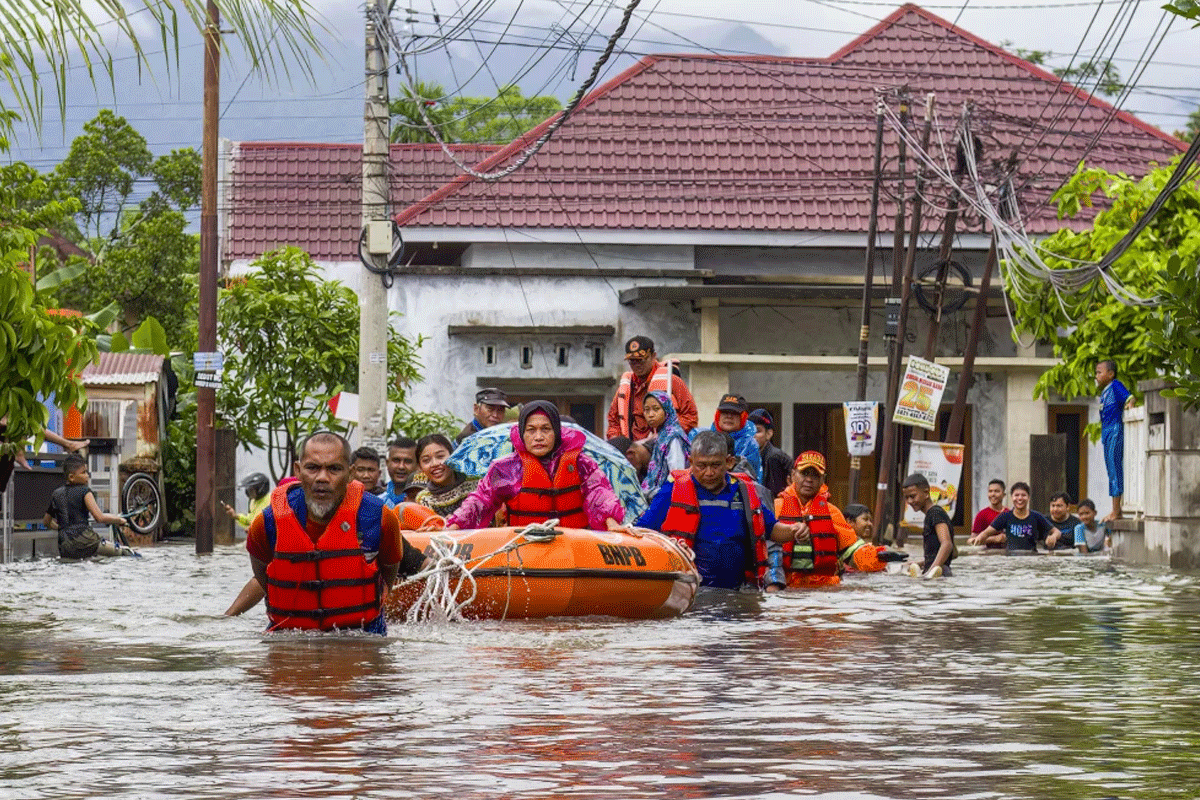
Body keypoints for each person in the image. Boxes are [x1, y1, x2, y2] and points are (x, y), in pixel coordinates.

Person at [237, 431, 426, 633]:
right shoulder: (267, 522)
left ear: (350, 474)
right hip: (290, 635)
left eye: (334, 469)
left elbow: (390, 568)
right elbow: (262, 574)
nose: (322, 478)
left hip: (362, 634)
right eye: (312, 468)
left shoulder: (379, 518)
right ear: (298, 471)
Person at [637, 430, 802, 589]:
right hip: (689, 590)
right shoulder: (673, 490)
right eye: (701, 466)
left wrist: (794, 531)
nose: (709, 473)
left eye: (715, 465)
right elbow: (642, 531)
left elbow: (772, 529)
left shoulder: (743, 491)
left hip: (738, 591)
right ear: (691, 462)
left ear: (729, 462)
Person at [447, 400, 625, 531]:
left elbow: (598, 492)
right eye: (531, 430)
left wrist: (611, 522)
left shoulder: (581, 463)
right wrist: (454, 525)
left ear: (556, 432)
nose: (538, 437)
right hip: (526, 547)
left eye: (546, 429)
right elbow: (480, 500)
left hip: (574, 547)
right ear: (522, 434)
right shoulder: (506, 468)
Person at [772, 450, 885, 589]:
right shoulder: (775, 508)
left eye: (815, 475)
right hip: (785, 588)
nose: (809, 479)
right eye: (804, 473)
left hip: (824, 590)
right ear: (793, 474)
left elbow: (853, 552)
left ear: (823, 479)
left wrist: (880, 557)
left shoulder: (832, 512)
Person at [606, 335, 698, 440]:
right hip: (633, 447)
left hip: (663, 444)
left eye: (641, 360)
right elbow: (613, 421)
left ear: (653, 356)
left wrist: (665, 434)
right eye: (632, 361)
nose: (637, 365)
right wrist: (617, 440)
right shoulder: (626, 387)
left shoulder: (672, 381)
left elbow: (691, 417)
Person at [42, 454, 134, 559]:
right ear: (71, 477)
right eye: (83, 472)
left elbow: (46, 522)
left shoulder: (56, 494)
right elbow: (100, 517)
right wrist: (120, 520)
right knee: (126, 553)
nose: (87, 476)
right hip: (86, 540)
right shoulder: (84, 491)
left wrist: (62, 528)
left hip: (65, 545)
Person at [969, 481, 1062, 554]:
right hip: (1011, 558)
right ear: (1011, 497)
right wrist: (979, 538)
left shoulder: (1036, 516)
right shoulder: (1005, 516)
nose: (1020, 498)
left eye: (1023, 495)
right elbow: (985, 533)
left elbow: (1057, 532)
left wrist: (1053, 537)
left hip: (1031, 557)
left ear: (1029, 497)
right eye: (1016, 495)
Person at [1096, 359, 1132, 521]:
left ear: (1110, 374)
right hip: (1107, 432)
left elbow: (1129, 398)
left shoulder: (1115, 385)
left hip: (1115, 431)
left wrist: (1130, 406)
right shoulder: (1104, 392)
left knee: (1115, 469)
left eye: (1099, 372)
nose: (1096, 376)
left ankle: (1116, 511)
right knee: (1111, 470)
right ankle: (1116, 510)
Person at [900, 473, 956, 578]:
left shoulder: (935, 513)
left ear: (926, 493)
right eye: (906, 497)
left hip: (939, 574)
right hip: (941, 573)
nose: (909, 501)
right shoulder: (935, 514)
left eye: (913, 496)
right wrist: (920, 564)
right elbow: (954, 553)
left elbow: (947, 544)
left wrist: (929, 574)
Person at [412, 433, 480, 518]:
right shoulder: (424, 499)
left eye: (440, 456)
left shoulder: (477, 483)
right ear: (420, 467)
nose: (434, 464)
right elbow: (432, 523)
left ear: (452, 456)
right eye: (426, 460)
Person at [641, 391, 691, 498]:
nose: (650, 414)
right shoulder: (662, 434)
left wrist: (661, 495)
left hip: (668, 496)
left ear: (666, 410)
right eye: (646, 410)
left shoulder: (673, 436)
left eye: (656, 409)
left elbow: (677, 473)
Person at [704, 393, 762, 483]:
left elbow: (750, 479)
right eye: (724, 412)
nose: (729, 416)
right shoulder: (703, 438)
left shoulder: (750, 445)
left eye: (734, 413)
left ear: (743, 417)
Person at [749, 409, 791, 497]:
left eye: (757, 431)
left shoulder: (774, 457)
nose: (752, 435)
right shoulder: (749, 455)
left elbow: (773, 495)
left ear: (769, 434)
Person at [383, 437, 417, 508]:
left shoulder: (425, 501)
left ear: (418, 465)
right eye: (396, 460)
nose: (401, 466)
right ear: (387, 463)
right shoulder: (379, 500)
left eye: (408, 461)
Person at [972, 479, 1008, 546]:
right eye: (990, 491)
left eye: (996, 491)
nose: (993, 494)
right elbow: (972, 540)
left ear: (1004, 494)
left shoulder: (1009, 513)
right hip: (987, 551)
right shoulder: (982, 514)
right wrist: (993, 539)